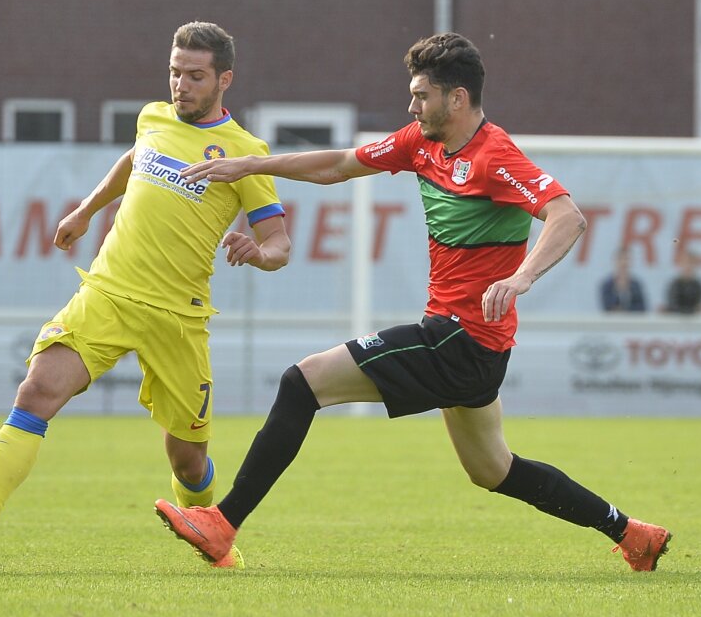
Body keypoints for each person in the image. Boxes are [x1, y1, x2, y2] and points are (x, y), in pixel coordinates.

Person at [153, 32, 672, 573]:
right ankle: (633, 534)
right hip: (468, 345)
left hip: (461, 341)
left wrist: (521, 277)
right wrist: (254, 166)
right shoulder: (420, 143)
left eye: (421, 95)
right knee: (493, 470)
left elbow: (568, 216)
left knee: (301, 382)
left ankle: (223, 522)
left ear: (458, 98)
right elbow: (338, 166)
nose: (411, 105)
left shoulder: (496, 156)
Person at [0, 21, 291, 569]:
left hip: (178, 318)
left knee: (187, 462)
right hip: (108, 293)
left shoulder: (245, 153)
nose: (182, 85)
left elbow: (280, 244)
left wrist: (258, 250)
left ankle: (207, 527)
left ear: (224, 79)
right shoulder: (152, 117)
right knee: (36, 392)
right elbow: (133, 160)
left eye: (196, 76)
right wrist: (86, 211)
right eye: (175, 72)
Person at [663, 249, 701, 314]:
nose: (688, 266)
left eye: (691, 263)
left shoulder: (698, 285)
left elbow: (700, 305)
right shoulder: (675, 284)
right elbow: (673, 306)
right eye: (685, 263)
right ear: (680, 265)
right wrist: (691, 311)